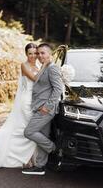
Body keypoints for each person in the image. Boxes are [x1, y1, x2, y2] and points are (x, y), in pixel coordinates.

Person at [0, 43, 44, 168]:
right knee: (30, 128)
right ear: (26, 54)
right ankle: (23, 158)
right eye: (30, 53)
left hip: (35, 101)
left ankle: (28, 158)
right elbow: (36, 79)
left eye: (35, 53)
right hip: (26, 102)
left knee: (30, 129)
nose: (33, 56)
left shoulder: (38, 66)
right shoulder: (24, 66)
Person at [22, 43, 63, 175]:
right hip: (39, 107)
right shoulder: (44, 67)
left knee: (29, 132)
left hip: (45, 109)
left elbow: (58, 89)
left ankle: (55, 149)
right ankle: (40, 166)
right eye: (38, 53)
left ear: (50, 54)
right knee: (43, 136)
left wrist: (48, 106)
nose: (39, 56)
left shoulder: (52, 68)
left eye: (43, 53)